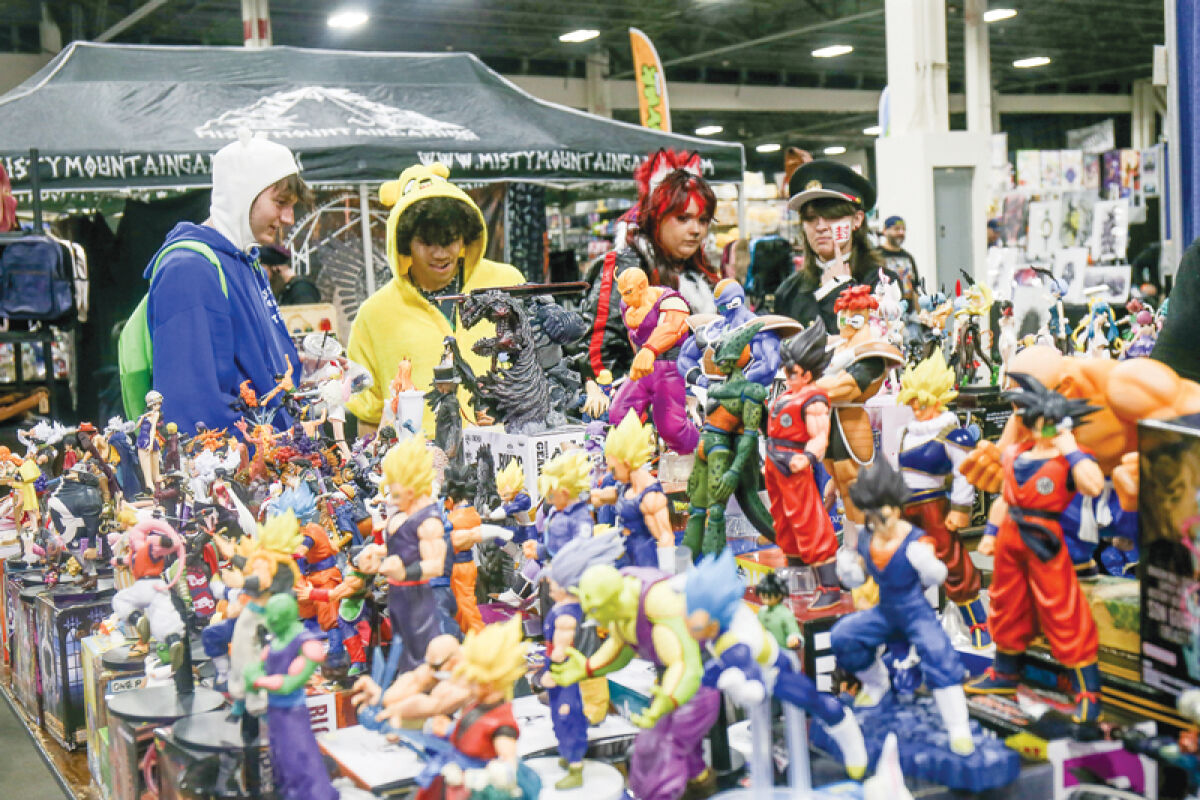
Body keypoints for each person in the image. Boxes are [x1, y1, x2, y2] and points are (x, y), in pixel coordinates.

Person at [147, 131, 310, 435]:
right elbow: (190, 412)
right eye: (280, 202)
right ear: (242, 193)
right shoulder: (188, 270)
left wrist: (310, 371)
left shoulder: (246, 262)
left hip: (270, 465)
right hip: (234, 473)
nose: (289, 217)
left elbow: (261, 369)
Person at [346, 163, 524, 436]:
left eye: (450, 240)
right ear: (405, 243)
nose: (441, 254)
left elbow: (538, 364)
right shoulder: (374, 315)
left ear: (464, 237)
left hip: (507, 458)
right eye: (428, 243)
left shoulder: (506, 283)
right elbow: (368, 416)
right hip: (419, 470)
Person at [583, 150, 719, 385]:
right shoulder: (627, 267)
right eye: (683, 218)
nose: (696, 230)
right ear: (657, 217)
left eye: (703, 220)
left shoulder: (698, 274)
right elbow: (599, 353)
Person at [775, 160, 895, 331]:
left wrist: (837, 292)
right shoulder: (788, 292)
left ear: (857, 220)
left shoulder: (882, 285)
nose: (821, 227)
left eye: (831, 216)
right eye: (810, 218)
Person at [876, 215, 919, 303]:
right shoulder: (876, 255)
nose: (901, 232)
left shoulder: (908, 257)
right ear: (885, 231)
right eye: (896, 229)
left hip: (909, 312)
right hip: (885, 310)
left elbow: (915, 288)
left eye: (903, 229)